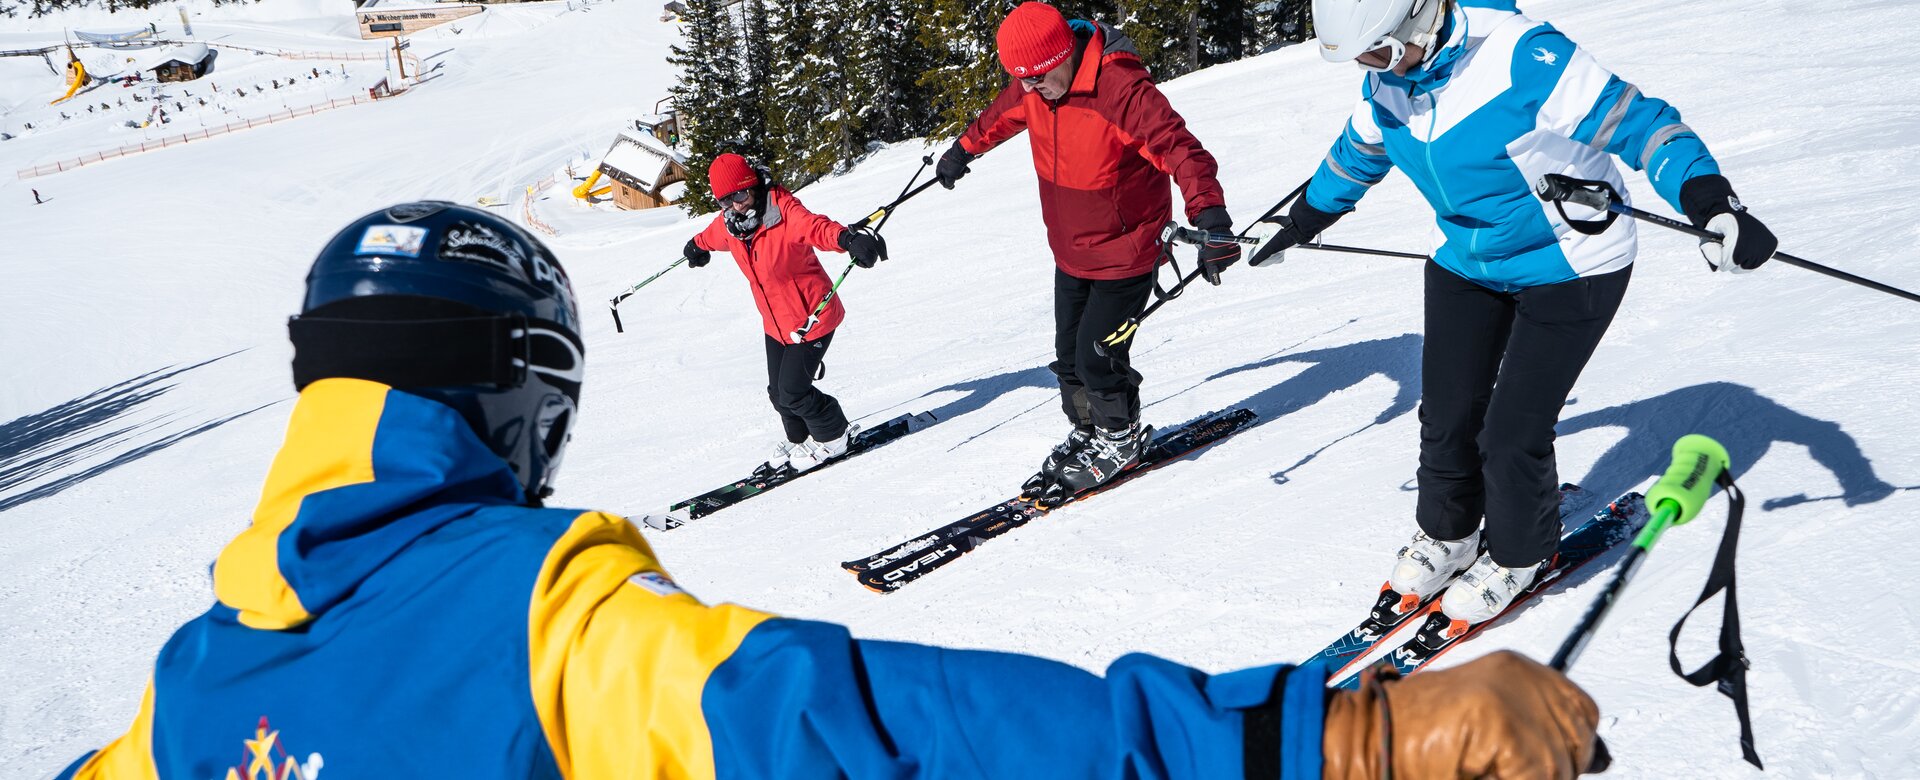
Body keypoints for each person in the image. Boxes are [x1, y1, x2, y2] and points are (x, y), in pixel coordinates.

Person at [58, 202, 1605, 779]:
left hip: (908, 295)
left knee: (856, 375)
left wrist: (841, 252)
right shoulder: (545, 619)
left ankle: (953, 429)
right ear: (522, 396)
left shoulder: (187, 688)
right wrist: (1330, 738)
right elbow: (861, 725)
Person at [1251, 0, 1779, 626]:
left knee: (1511, 433)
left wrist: (1711, 202)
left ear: (1419, 19)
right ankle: (1449, 536)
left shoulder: (1521, 57)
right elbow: (1358, 153)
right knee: (1446, 414)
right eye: (1364, 58)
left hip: (1571, 264)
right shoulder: (1390, 78)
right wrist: (1301, 220)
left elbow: (1645, 125)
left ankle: (1521, 555)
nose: (1374, 69)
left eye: (1381, 53)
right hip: (1464, 262)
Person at [933, 1, 1242, 504]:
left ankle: (1120, 440)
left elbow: (1181, 148)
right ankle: (1090, 431)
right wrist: (961, 150)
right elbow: (1001, 114)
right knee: (1068, 357)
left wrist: (1210, 216)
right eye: (1023, 81)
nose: (1030, 90)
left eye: (1037, 79)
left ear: (1064, 55)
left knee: (1099, 356)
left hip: (1127, 251)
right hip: (1070, 249)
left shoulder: (1119, 90)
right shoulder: (1035, 83)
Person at [681, 152, 886, 473]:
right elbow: (711, 236)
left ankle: (834, 437)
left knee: (793, 391)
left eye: (739, 194)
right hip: (775, 323)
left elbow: (817, 227)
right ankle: (800, 438)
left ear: (753, 186)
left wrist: (847, 239)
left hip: (811, 318)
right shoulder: (731, 226)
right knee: (778, 393)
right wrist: (696, 246)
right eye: (725, 200)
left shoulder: (782, 210)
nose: (735, 205)